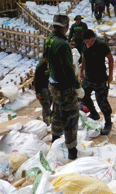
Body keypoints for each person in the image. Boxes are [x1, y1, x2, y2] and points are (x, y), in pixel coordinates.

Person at [44, 13, 84, 160]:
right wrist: (77, 86)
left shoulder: (49, 40)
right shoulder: (62, 44)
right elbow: (68, 69)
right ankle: (72, 151)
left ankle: (55, 141)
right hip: (64, 87)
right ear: (66, 27)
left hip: (53, 84)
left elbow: (46, 58)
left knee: (58, 112)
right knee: (71, 117)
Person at [79, 29, 114, 135]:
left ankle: (108, 122)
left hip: (100, 78)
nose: (87, 43)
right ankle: (94, 113)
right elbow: (84, 57)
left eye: (89, 41)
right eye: (86, 41)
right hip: (88, 77)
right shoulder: (84, 45)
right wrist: (82, 70)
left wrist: (111, 74)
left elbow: (110, 59)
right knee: (82, 95)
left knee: (101, 100)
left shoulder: (101, 45)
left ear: (93, 38)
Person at [33, 60, 52, 126]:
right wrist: (37, 92)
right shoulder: (40, 66)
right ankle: (46, 122)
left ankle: (50, 119)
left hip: (47, 86)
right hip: (41, 88)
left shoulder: (48, 65)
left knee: (50, 102)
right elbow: (36, 80)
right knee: (45, 104)